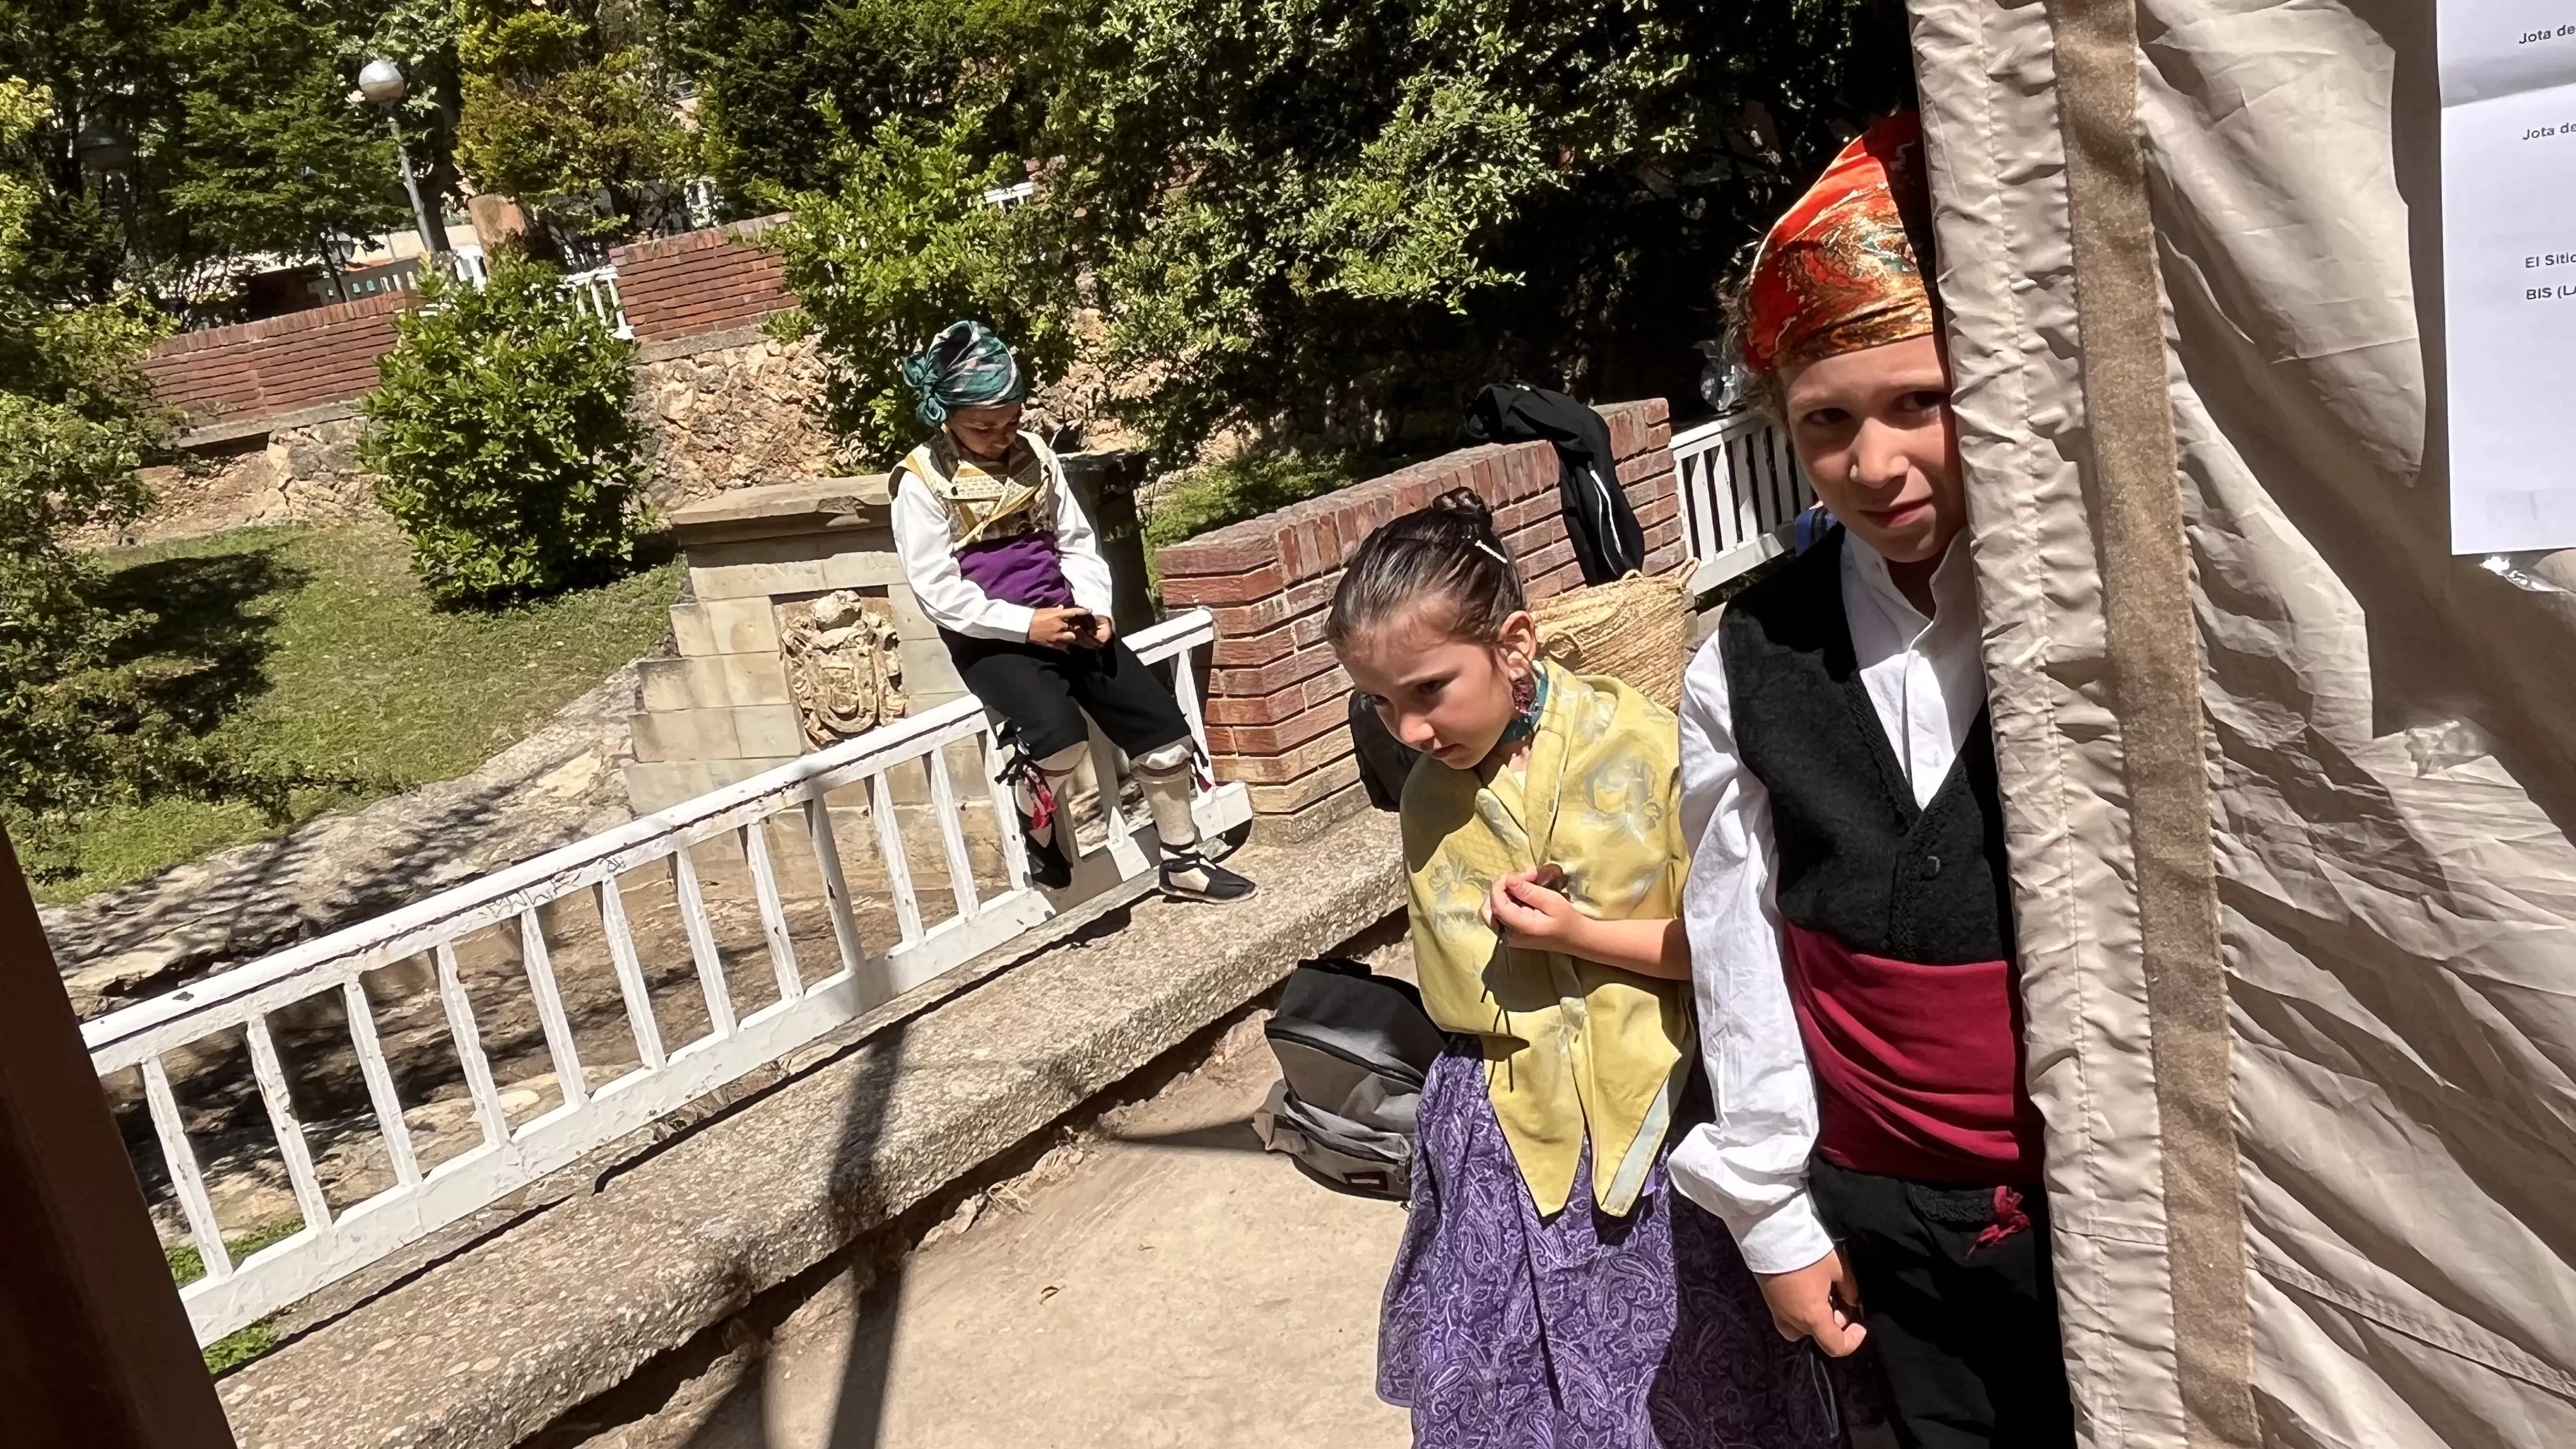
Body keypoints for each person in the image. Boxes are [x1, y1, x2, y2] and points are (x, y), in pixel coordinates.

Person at [1665, 112, 2077, 1448]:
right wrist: (1775, 1213)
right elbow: (1735, 937)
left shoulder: (2086, 613)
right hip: (1879, 1200)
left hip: (2105, 1195)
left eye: (1920, 403)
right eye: (1828, 422)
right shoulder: (1751, 654)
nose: (1879, 461)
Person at [1331, 489, 1838, 1448]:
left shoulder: (1649, 750)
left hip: (1662, 1126)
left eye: (1430, 690)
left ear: (1515, 645)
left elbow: (1738, 955)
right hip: (1506, 1146)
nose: (1409, 732)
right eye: (1382, 704)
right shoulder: (1432, 796)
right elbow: (1458, 992)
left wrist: (1578, 935)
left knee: (1686, 1394)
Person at [889, 320, 1255, 904]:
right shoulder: (919, 484)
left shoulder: (1037, 455)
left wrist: (1094, 608)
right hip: (991, 637)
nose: (1002, 436)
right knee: (1059, 740)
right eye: (984, 426)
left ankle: (1184, 863)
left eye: (1010, 422)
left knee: (1163, 738)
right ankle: (1034, 813)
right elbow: (935, 589)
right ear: (946, 414)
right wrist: (1025, 625)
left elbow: (1076, 538)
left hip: (1067, 615)